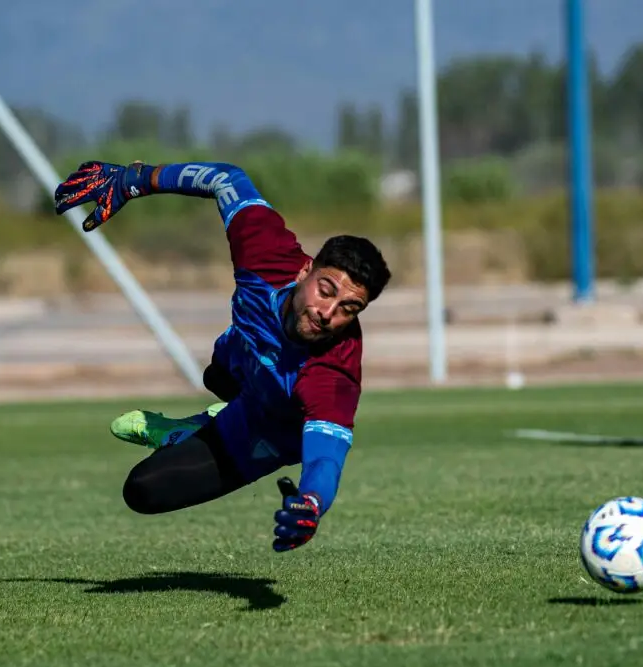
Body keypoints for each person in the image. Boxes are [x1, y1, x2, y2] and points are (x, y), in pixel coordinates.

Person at [54, 160, 391, 552]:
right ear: (305, 271)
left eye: (350, 309)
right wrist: (135, 179)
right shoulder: (267, 254)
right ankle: (212, 413)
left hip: (268, 429)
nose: (327, 314)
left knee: (142, 490)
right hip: (237, 360)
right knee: (217, 375)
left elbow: (326, 460)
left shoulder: (333, 373)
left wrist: (311, 505)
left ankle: (189, 431)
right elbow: (225, 178)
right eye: (326, 290)